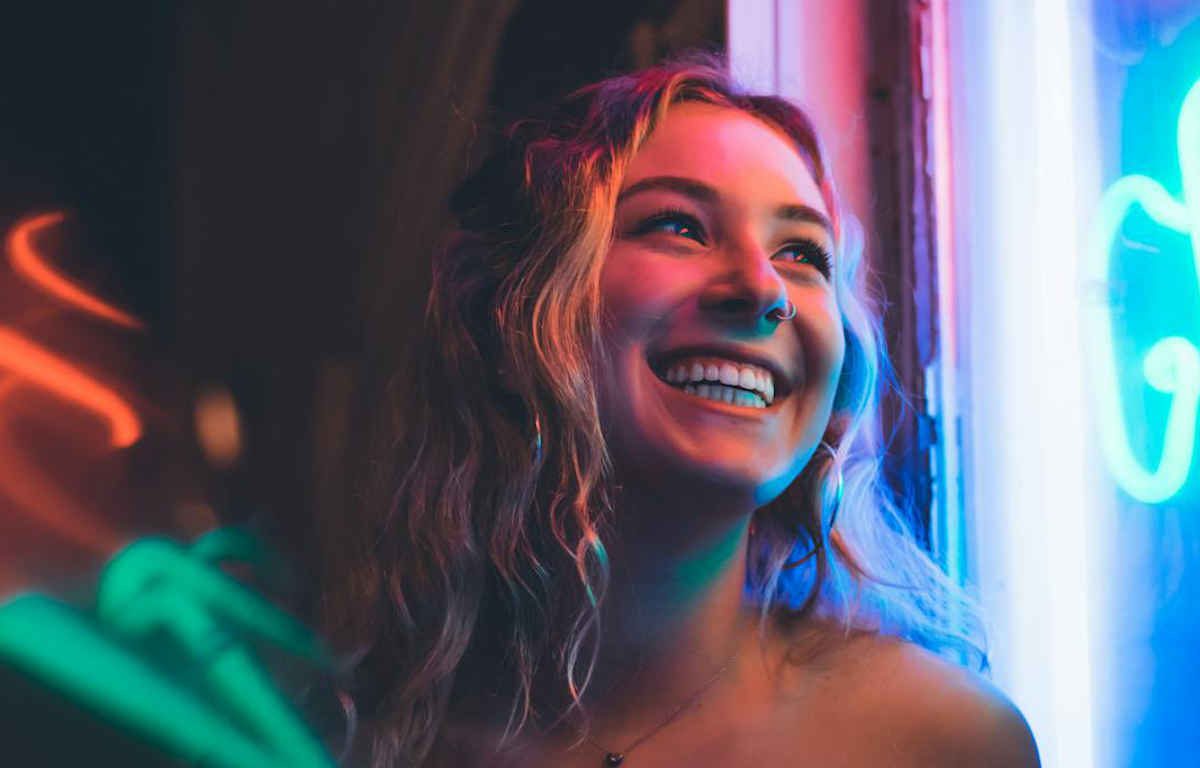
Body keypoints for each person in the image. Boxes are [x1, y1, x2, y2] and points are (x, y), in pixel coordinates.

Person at [324, 54, 1040, 767]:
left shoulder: (941, 742)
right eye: (679, 226)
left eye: (803, 252)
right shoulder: (362, 739)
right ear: (517, 309)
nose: (764, 290)